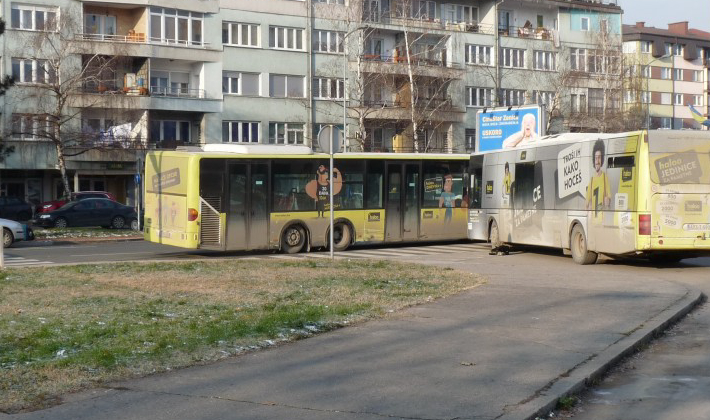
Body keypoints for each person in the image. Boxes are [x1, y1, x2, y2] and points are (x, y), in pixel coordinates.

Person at [586, 140, 611, 218]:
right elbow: (587, 200)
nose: (597, 161)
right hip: (593, 219)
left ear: (602, 159)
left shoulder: (605, 177)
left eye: (599, 158)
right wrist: (588, 207)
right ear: (594, 160)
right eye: (596, 158)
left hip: (602, 218)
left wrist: (608, 200)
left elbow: (609, 196)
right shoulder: (592, 179)